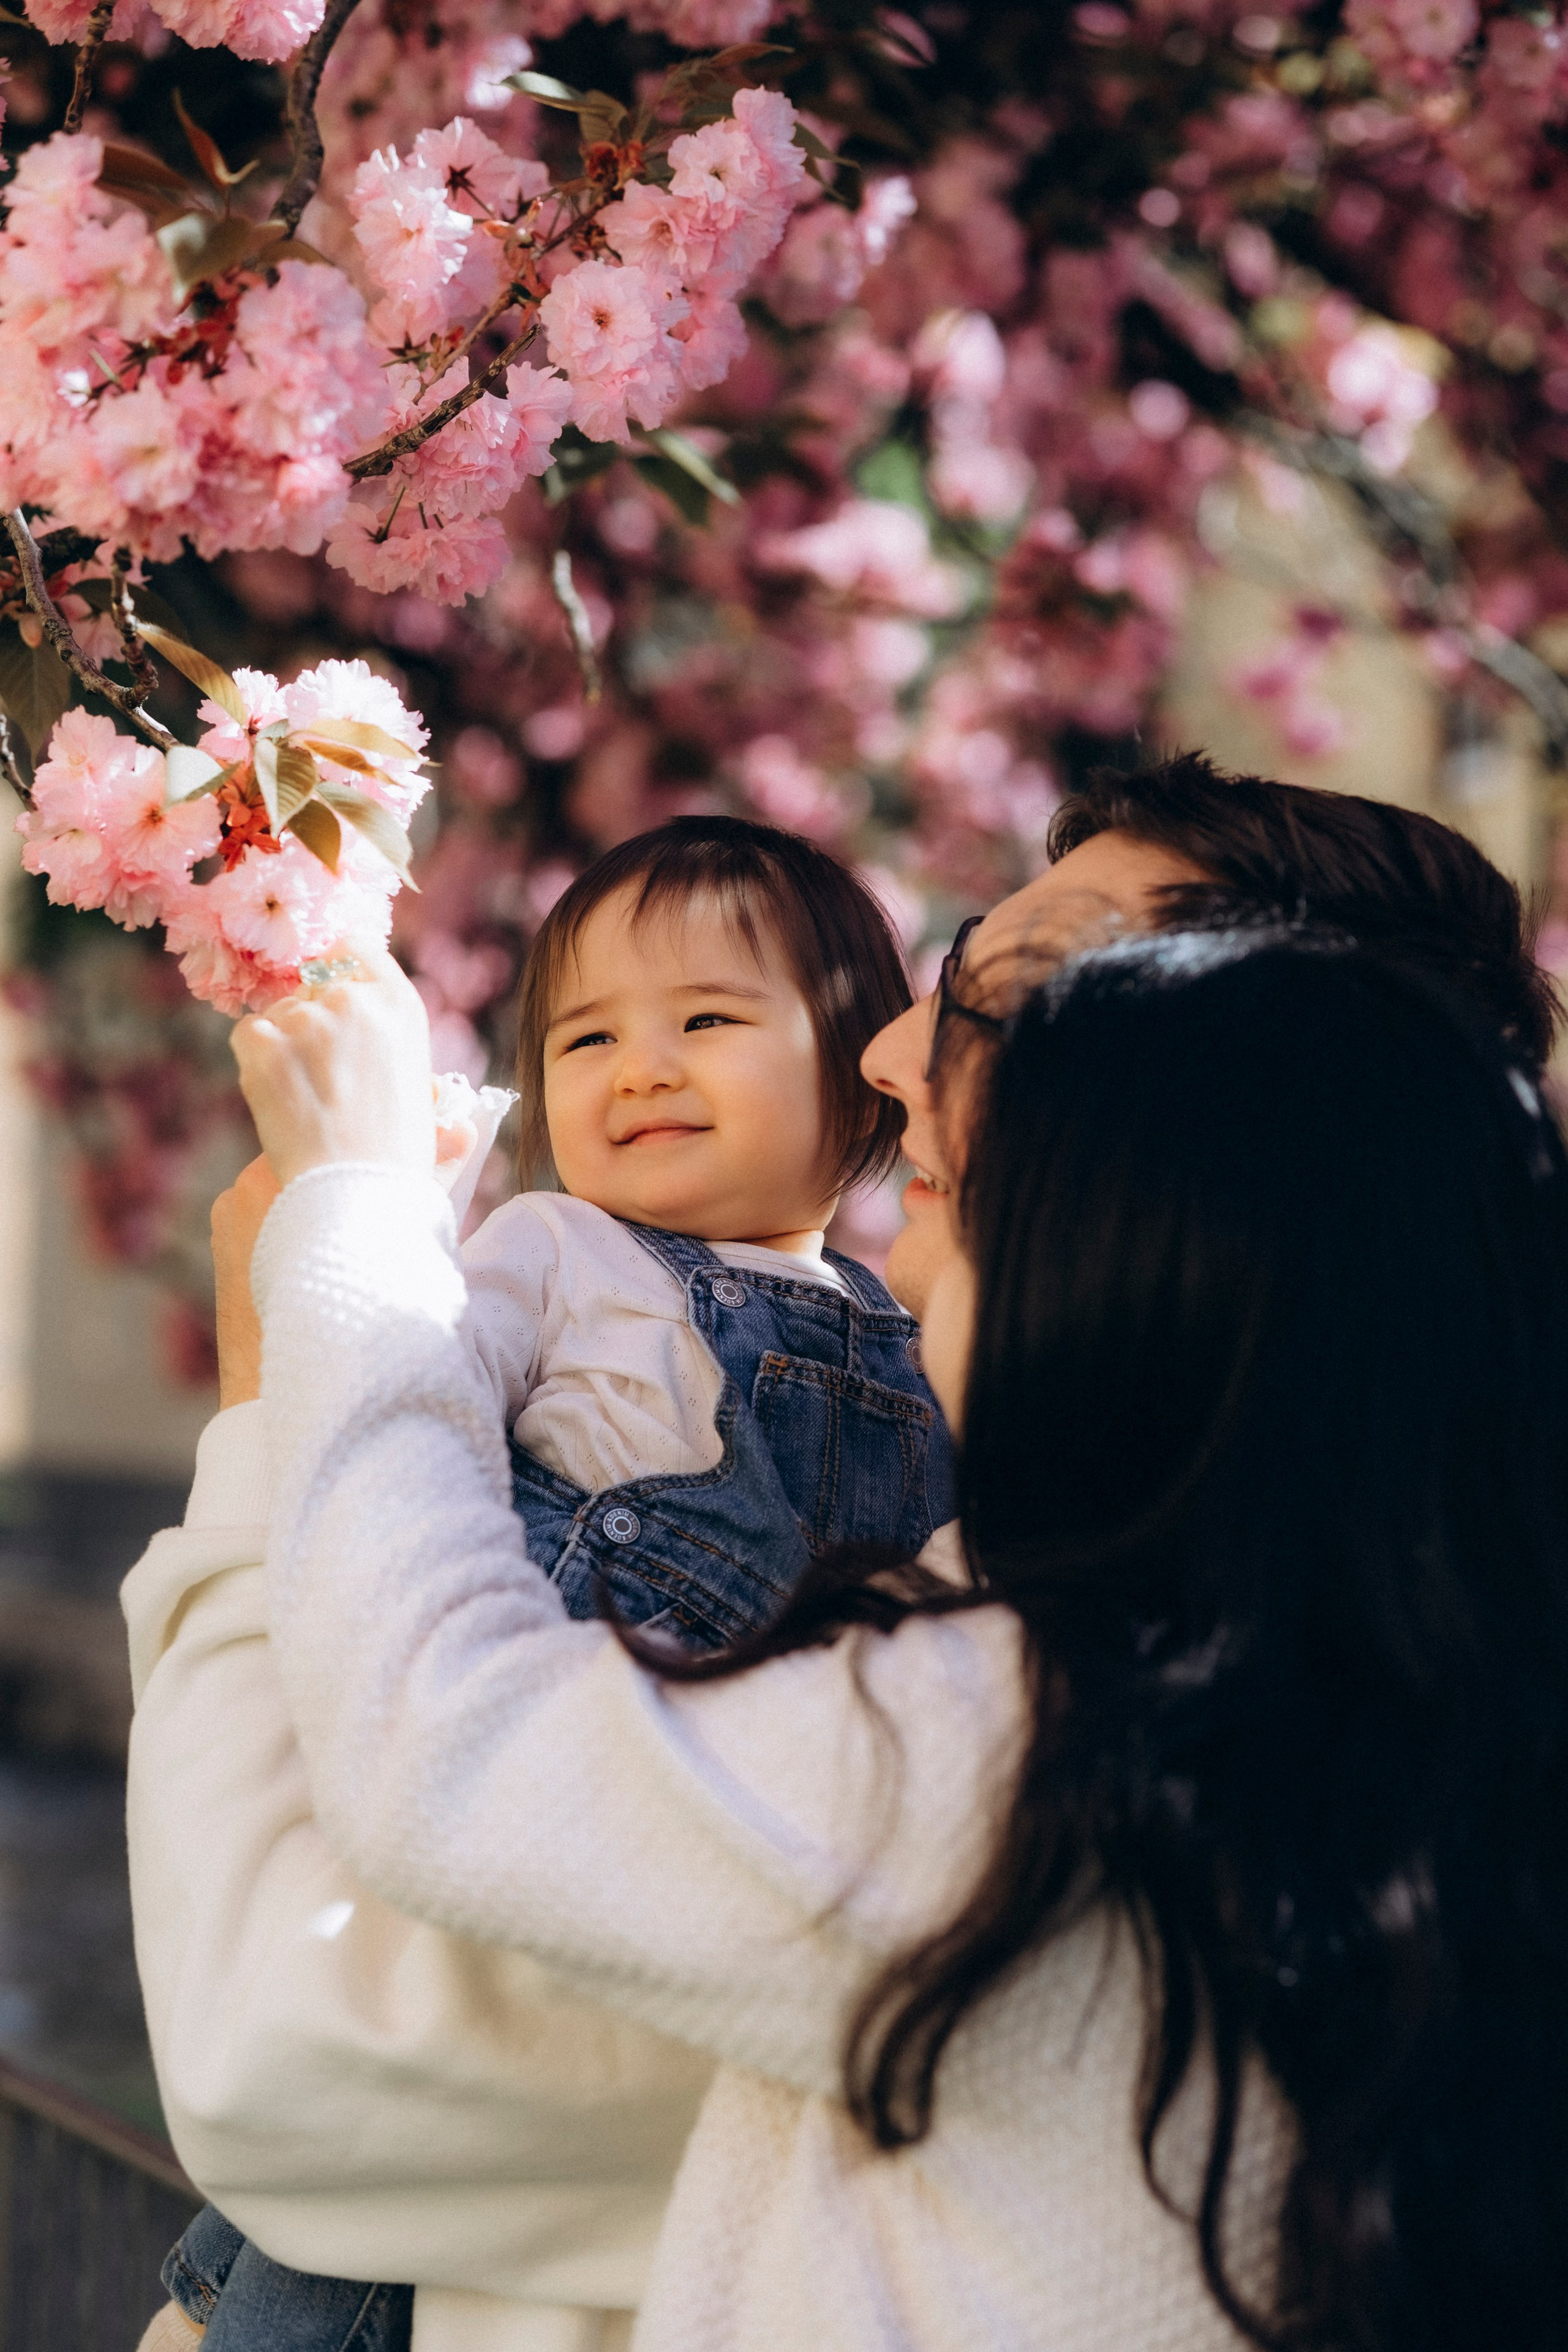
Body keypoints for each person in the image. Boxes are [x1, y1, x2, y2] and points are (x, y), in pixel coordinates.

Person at [123, 758, 1557, 2352]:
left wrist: (322, 1289)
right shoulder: (1368, 1699)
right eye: (590, 1032)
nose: (894, 1051)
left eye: (1020, 993)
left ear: (1231, 1115)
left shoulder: (1037, 1749)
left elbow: (295, 2034)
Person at [143, 816, 952, 2352]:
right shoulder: (559, 1249)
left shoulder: (912, 1330)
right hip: (497, 1799)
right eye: (587, 1037)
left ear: (865, 1084)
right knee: (328, 2257)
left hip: (716, 1851)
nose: (640, 1067)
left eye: (707, 1020)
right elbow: (392, 1395)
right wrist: (383, 1215)